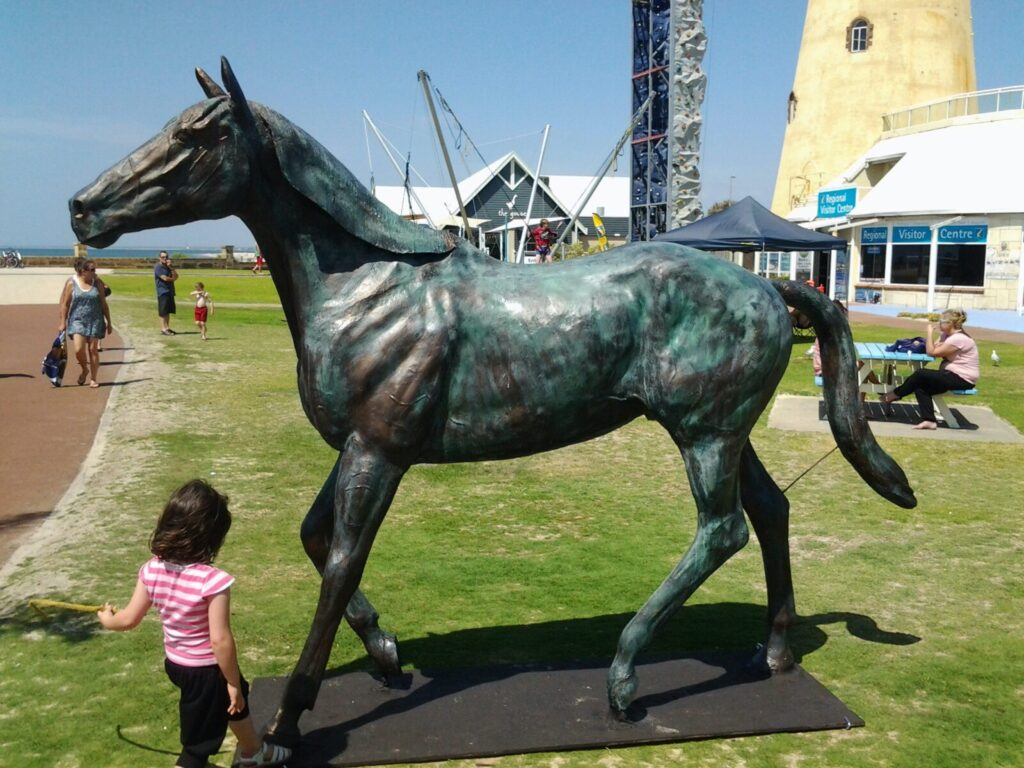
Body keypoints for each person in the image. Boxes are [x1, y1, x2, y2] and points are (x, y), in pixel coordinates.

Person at [97, 480, 291, 768]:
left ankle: (253, 751)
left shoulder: (151, 569)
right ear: (212, 536)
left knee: (235, 702)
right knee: (197, 746)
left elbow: (128, 619)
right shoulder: (212, 581)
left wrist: (108, 620)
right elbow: (220, 641)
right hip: (205, 671)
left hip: (177, 665)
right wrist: (232, 681)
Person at [881, 308, 979, 430]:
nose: (939, 324)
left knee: (921, 374)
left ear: (951, 324)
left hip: (963, 379)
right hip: (951, 375)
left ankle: (894, 395)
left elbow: (931, 352)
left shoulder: (959, 339)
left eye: (941, 321)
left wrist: (929, 334)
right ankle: (929, 421)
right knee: (921, 386)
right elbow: (934, 347)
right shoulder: (947, 336)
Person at [58, 257, 112, 388]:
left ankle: (93, 379)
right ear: (83, 271)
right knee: (78, 349)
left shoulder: (97, 283)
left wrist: (109, 322)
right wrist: (62, 322)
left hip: (95, 319)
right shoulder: (72, 283)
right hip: (77, 319)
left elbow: (104, 304)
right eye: (92, 270)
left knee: (93, 349)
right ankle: (84, 369)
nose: (95, 272)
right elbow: (65, 304)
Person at [812, 299, 878, 401]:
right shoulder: (831, 331)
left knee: (863, 370)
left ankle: (866, 402)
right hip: (825, 369)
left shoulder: (827, 327)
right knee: (863, 366)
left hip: (825, 367)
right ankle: (880, 389)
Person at [155, 251, 179, 336]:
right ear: (159, 258)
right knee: (163, 311)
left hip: (170, 291)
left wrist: (171, 268)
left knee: (168, 311)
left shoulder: (169, 267)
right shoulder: (158, 267)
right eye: (163, 257)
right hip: (162, 292)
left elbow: (177, 276)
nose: (165, 259)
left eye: (166, 257)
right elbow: (164, 278)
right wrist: (173, 279)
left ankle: (167, 328)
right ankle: (163, 328)